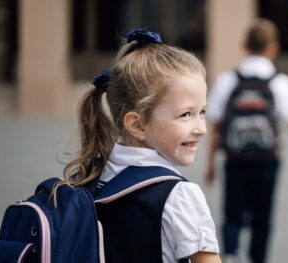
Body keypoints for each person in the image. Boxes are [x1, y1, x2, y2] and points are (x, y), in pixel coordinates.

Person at [57, 28, 222, 263]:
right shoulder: (180, 196)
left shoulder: (89, 177)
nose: (201, 128)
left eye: (202, 112)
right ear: (137, 124)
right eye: (186, 114)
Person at [206, 19, 288, 263]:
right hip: (267, 161)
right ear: (274, 47)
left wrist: (211, 164)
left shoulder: (228, 80)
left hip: (235, 159)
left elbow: (216, 125)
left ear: (244, 45)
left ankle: (232, 255)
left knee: (231, 215)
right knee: (262, 219)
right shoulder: (280, 83)